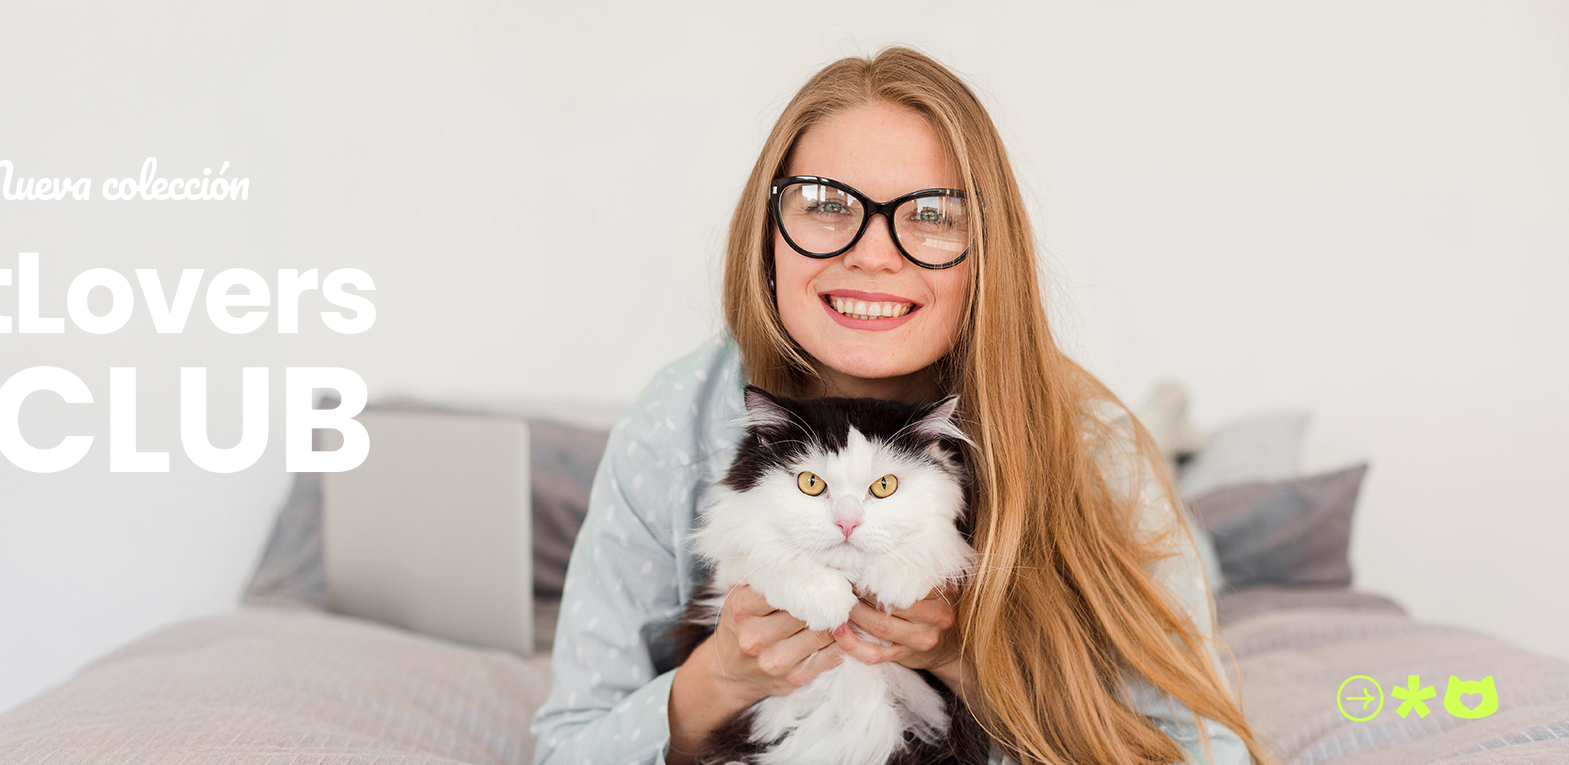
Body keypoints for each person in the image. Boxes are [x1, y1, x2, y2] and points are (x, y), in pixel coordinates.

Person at [531, 46, 1277, 765]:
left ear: (987, 251)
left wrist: (960, 660)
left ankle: (1175, 437)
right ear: (768, 233)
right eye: (826, 205)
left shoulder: (1099, 444)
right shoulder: (675, 419)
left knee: (1194, 542)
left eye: (931, 213)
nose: (874, 253)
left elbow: (1204, 750)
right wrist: (721, 675)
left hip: (1113, 480)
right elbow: (567, 747)